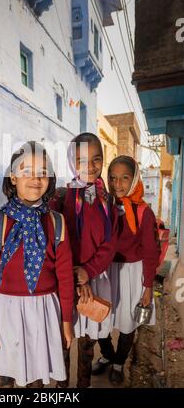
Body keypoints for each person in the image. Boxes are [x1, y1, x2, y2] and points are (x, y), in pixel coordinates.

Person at [0, 141, 74, 388]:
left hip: (43, 311)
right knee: (3, 378)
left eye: (43, 172)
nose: (35, 179)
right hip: (3, 312)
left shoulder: (57, 223)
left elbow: (65, 278)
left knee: (36, 379)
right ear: (13, 177)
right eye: (26, 171)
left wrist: (66, 322)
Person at [49, 132, 118, 388]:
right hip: (66, 283)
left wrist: (87, 271)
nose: (90, 167)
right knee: (65, 339)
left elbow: (109, 245)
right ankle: (62, 388)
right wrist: (74, 277)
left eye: (96, 159)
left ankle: (83, 385)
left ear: (103, 161)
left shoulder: (108, 201)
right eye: (81, 160)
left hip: (95, 280)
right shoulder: (61, 198)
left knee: (87, 342)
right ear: (71, 161)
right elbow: (55, 242)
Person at [92, 155, 160, 383]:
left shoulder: (143, 212)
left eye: (124, 178)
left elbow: (151, 253)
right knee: (99, 318)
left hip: (132, 273)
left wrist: (147, 286)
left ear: (134, 179)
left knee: (127, 323)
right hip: (105, 271)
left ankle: (119, 362)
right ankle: (107, 354)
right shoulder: (104, 206)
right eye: (112, 178)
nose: (117, 184)